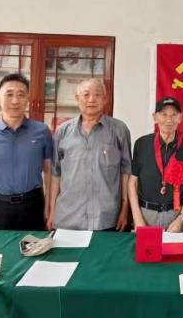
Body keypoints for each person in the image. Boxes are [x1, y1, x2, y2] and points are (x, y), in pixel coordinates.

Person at [0, 73, 53, 231]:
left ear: (27, 100)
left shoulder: (41, 131)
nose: (15, 101)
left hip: (32, 206)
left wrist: (48, 207)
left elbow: (48, 171)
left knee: (33, 246)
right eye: (9, 94)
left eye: (21, 95)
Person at [48, 78, 132, 231]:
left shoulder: (119, 130)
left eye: (97, 95)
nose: (91, 99)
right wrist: (52, 211)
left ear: (105, 99)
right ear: (77, 99)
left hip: (107, 218)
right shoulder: (62, 131)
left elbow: (126, 171)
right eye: (86, 95)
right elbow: (55, 173)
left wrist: (125, 208)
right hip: (68, 216)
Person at [129, 96, 183, 232]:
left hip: (177, 215)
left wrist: (181, 218)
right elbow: (132, 183)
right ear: (155, 117)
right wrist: (137, 218)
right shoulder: (141, 144)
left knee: (177, 247)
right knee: (147, 247)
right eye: (164, 114)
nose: (169, 120)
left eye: (174, 115)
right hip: (146, 215)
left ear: (180, 118)